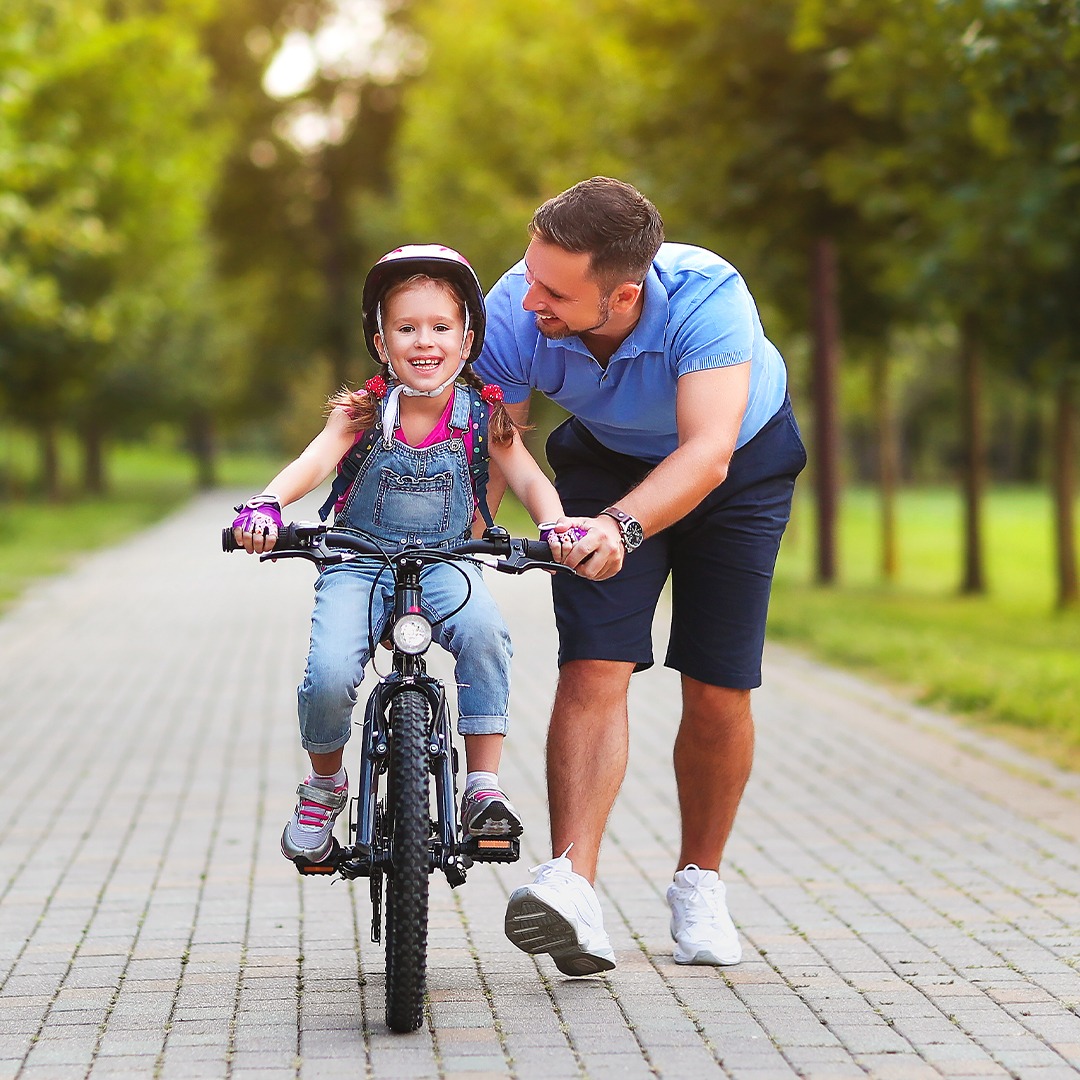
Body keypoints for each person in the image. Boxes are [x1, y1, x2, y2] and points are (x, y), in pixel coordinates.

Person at [474, 177, 806, 976]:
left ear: (623, 296)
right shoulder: (514, 305)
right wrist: (459, 547)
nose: (529, 300)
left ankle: (699, 882)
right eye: (531, 275)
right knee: (594, 661)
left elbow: (708, 452)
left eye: (556, 292)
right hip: (606, 459)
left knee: (718, 682)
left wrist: (621, 528)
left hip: (737, 467)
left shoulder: (708, 297)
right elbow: (497, 443)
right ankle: (572, 887)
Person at [230, 245, 578, 868]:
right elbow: (312, 462)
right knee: (329, 670)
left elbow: (528, 478)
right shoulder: (360, 412)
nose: (424, 342)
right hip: (358, 563)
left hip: (447, 562)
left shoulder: (483, 414)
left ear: (467, 340)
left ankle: (483, 787)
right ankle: (324, 785)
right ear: (381, 341)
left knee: (485, 635)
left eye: (441, 327)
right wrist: (267, 506)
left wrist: (555, 526)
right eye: (406, 328)